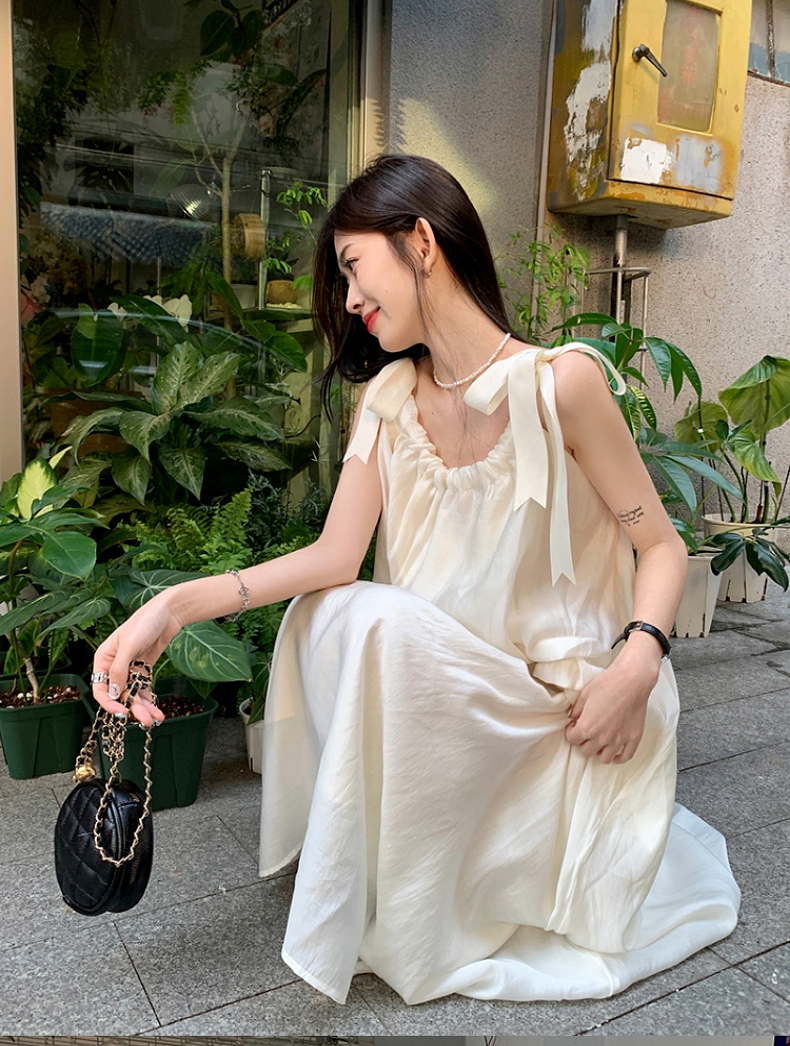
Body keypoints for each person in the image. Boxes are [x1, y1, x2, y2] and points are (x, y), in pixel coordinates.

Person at [91, 154, 739, 1006]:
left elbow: (660, 547)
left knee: (374, 622)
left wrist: (638, 664)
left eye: (354, 266)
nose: (351, 299)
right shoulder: (389, 399)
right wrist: (173, 607)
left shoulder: (561, 386)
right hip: (450, 700)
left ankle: (447, 878)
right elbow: (334, 558)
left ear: (422, 242)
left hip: (571, 711)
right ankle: (409, 868)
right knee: (332, 614)